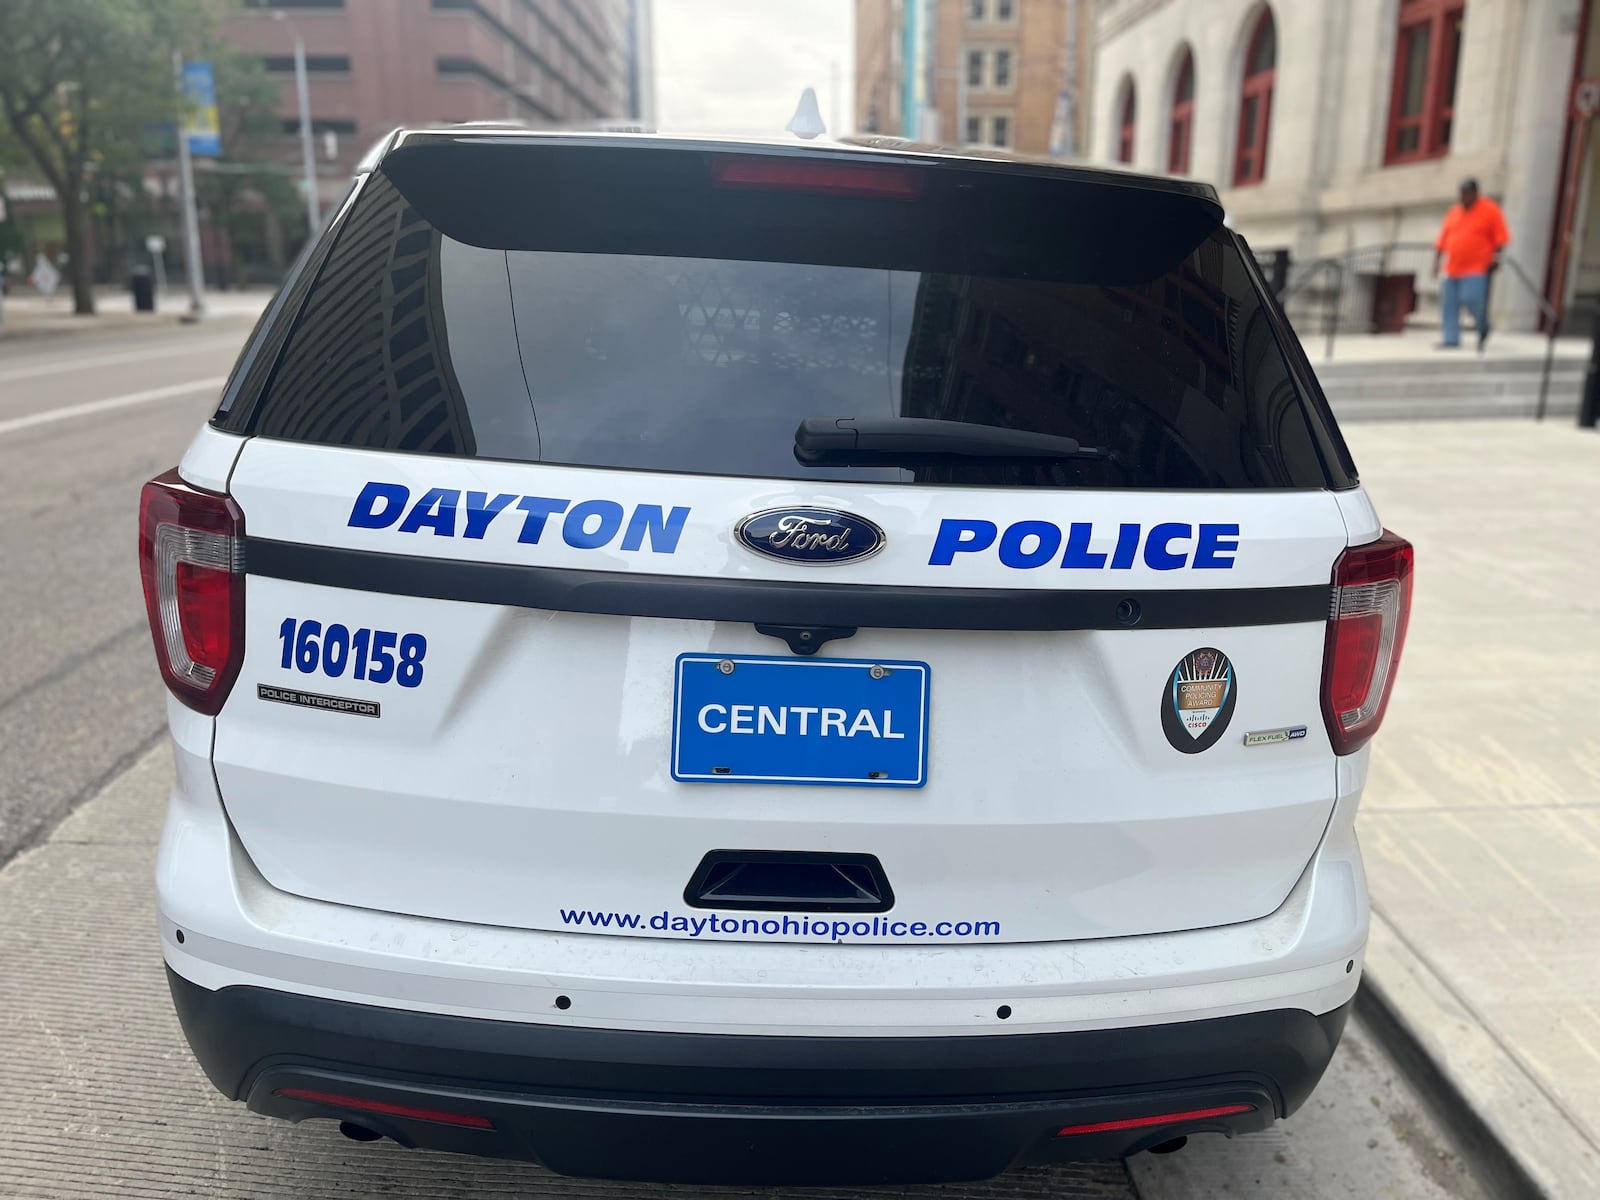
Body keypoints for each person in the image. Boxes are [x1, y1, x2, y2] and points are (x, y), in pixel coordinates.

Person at [1433, 178, 1510, 350]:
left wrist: (1496, 258)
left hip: (1477, 266)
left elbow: (1501, 238)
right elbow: (1442, 240)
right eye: (1461, 193)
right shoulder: (1454, 212)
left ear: (1475, 193)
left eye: (1467, 193)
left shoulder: (1490, 210)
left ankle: (1483, 325)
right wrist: (1436, 263)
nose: (1463, 197)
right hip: (1452, 266)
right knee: (1449, 304)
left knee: (1472, 299)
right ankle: (1451, 339)